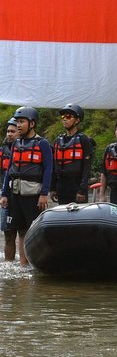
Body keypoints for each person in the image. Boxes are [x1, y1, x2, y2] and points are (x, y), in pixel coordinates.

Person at [0, 107, 53, 265]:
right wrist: (4, 193)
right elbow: (10, 169)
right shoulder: (16, 142)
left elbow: (49, 169)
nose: (18, 125)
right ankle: (23, 265)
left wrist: (44, 194)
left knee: (32, 230)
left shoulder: (42, 143)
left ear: (32, 124)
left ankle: (35, 263)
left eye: (22, 122)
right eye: (17, 122)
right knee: (21, 230)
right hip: (15, 193)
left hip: (33, 194)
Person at [50, 104, 94, 205]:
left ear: (77, 120)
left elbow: (87, 167)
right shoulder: (58, 140)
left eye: (68, 117)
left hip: (76, 187)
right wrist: (53, 188)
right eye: (63, 117)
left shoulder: (83, 140)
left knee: (78, 219)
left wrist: (82, 190)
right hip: (62, 187)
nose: (65, 119)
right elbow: (54, 166)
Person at [1, 118, 19, 261]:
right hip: (5, 196)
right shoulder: (3, 151)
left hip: (22, 195)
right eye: (8, 131)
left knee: (25, 232)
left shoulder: (29, 147)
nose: (9, 134)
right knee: (8, 233)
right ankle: (9, 265)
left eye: (13, 131)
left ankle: (24, 266)